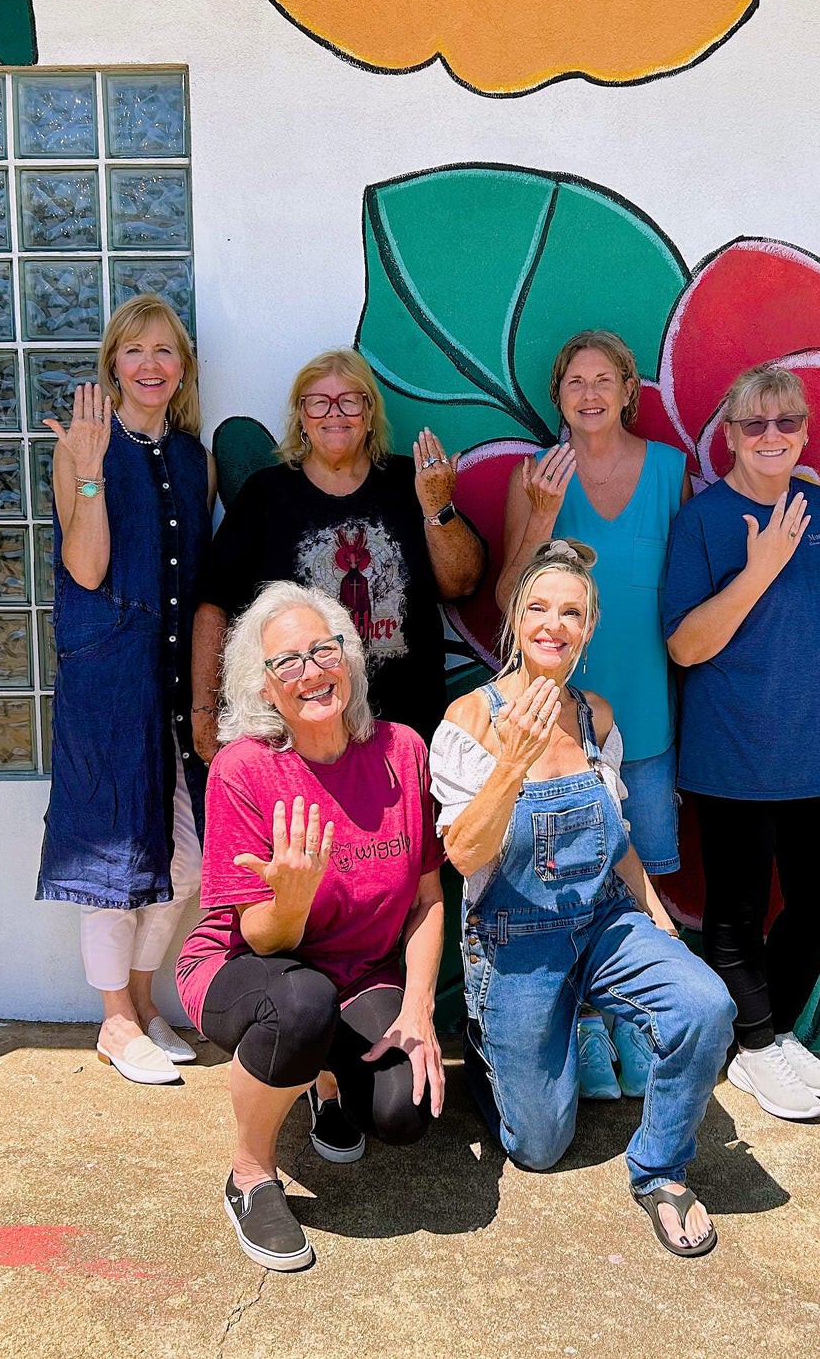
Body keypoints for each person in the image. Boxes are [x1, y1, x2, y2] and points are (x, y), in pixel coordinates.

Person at [432, 539, 734, 1258]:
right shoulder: (468, 720)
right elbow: (464, 854)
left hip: (601, 924)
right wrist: (512, 761)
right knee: (539, 1148)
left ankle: (661, 1170)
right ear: (516, 618)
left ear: (589, 628)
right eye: (539, 607)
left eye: (571, 613)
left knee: (704, 1005)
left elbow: (617, 838)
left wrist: (658, 919)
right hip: (516, 943)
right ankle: (496, 1051)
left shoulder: (595, 714)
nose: (554, 624)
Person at [177, 583, 446, 1273]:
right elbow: (263, 938)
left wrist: (418, 1007)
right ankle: (249, 1174)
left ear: (348, 659)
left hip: (360, 974)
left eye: (324, 651)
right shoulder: (243, 771)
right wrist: (291, 899)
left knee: (404, 1112)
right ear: (265, 689)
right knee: (301, 1006)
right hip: (246, 966)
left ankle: (326, 1083)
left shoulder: (402, 751)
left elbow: (427, 897)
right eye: (286, 663)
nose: (311, 672)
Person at [494, 330, 690, 1100]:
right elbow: (507, 598)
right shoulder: (535, 476)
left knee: (637, 877)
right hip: (555, 718)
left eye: (604, 379)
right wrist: (543, 516)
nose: (590, 393)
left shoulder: (670, 471)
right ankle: (585, 1026)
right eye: (575, 381)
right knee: (566, 880)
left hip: (645, 712)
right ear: (558, 395)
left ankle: (636, 1024)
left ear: (629, 390)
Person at [663, 361, 820, 1125]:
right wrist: (759, 569)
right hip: (736, 746)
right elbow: (685, 646)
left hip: (817, 749)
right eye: (754, 423)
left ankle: (767, 1034)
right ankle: (755, 1044)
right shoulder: (705, 521)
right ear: (730, 435)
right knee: (738, 909)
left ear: (805, 432)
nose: (771, 435)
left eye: (787, 421)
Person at [35, 294, 214, 1085]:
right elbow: (86, 570)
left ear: (182, 368)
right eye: (135, 350)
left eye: (164, 350)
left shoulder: (194, 458)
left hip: (178, 674)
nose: (150, 364)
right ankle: (113, 1019)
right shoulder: (83, 447)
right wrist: (88, 473)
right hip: (109, 673)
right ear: (113, 364)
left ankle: (141, 1001)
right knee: (112, 848)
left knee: (188, 856)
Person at [190, 348, 483, 759]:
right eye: (318, 402)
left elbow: (461, 584)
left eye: (349, 401)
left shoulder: (409, 483)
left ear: (369, 413)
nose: (334, 413)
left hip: (405, 731)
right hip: (298, 737)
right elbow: (214, 604)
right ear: (302, 416)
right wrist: (205, 712)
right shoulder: (266, 495)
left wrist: (437, 506)